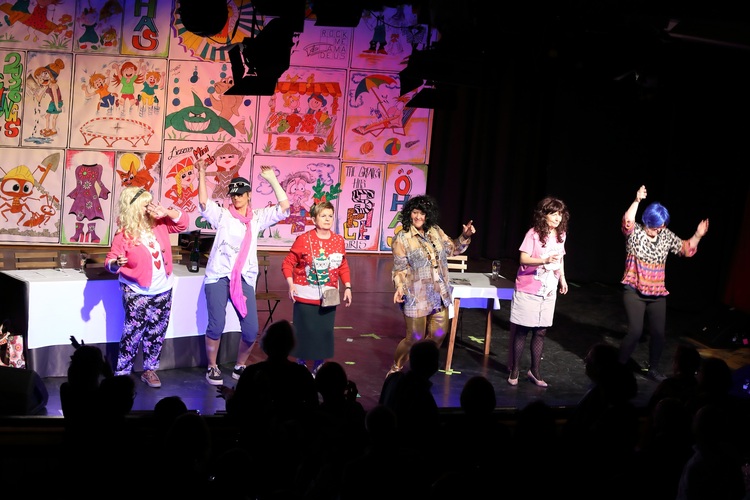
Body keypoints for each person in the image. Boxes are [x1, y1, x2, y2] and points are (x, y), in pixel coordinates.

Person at [197, 159, 289, 386]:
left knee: (251, 330)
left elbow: (284, 208)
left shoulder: (256, 218)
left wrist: (272, 180)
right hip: (219, 276)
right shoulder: (223, 215)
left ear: (248, 195)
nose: (236, 198)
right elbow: (203, 202)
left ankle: (240, 365)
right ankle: (212, 366)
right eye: (233, 194)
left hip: (244, 278)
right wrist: (201, 173)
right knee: (216, 325)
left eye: (240, 194)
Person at [618, 185, 709, 381]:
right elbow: (627, 221)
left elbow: (686, 249)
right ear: (647, 222)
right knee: (635, 332)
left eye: (661, 226)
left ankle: (653, 368)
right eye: (655, 226)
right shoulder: (636, 234)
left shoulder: (665, 235)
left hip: (657, 293)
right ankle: (618, 366)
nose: (658, 230)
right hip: (634, 291)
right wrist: (637, 200)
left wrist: (698, 235)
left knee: (659, 334)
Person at [106, 186, 188, 388]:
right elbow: (109, 261)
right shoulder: (123, 234)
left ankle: (150, 370)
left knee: (156, 331)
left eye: (150, 203)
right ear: (134, 207)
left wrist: (167, 212)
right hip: (136, 290)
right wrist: (116, 263)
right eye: (145, 204)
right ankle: (123, 373)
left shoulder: (160, 223)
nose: (150, 207)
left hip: (163, 289)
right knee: (132, 333)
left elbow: (183, 224)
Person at [389, 194, 476, 376]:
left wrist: (465, 236)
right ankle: (396, 368)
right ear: (409, 213)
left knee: (438, 334)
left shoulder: (435, 231)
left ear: (428, 215)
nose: (418, 217)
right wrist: (399, 287)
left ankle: (421, 368)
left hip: (438, 293)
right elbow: (399, 269)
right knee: (414, 337)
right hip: (416, 295)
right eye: (415, 212)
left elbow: (453, 248)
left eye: (422, 213)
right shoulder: (402, 238)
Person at [281, 200, 352, 375]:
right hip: (305, 295)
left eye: (330, 216)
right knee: (304, 332)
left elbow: (343, 266)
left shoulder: (338, 241)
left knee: (324, 333)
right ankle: (301, 365)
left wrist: (348, 287)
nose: (327, 219)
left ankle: (318, 365)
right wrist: (291, 284)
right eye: (323, 216)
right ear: (314, 219)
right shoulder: (304, 239)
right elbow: (287, 263)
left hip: (329, 296)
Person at [507, 196, 569, 387]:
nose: (557, 218)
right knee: (522, 331)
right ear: (544, 215)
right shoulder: (533, 234)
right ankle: (515, 370)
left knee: (541, 331)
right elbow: (523, 259)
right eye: (553, 214)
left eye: (560, 214)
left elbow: (560, 258)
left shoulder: (561, 234)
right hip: (528, 288)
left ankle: (535, 371)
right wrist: (544, 260)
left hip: (548, 289)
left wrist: (562, 278)